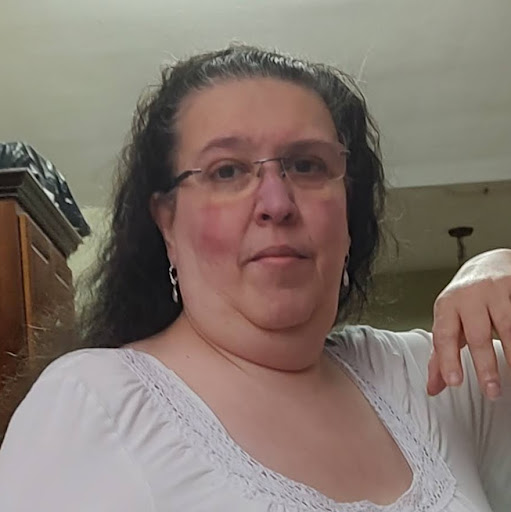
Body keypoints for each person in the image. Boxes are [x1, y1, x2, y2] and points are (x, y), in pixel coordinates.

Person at [0, 45, 510, 511]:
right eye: (227, 171)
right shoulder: (95, 406)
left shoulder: (430, 378)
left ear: (348, 213)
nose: (276, 203)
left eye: (307, 165)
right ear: (167, 223)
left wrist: (494, 266)